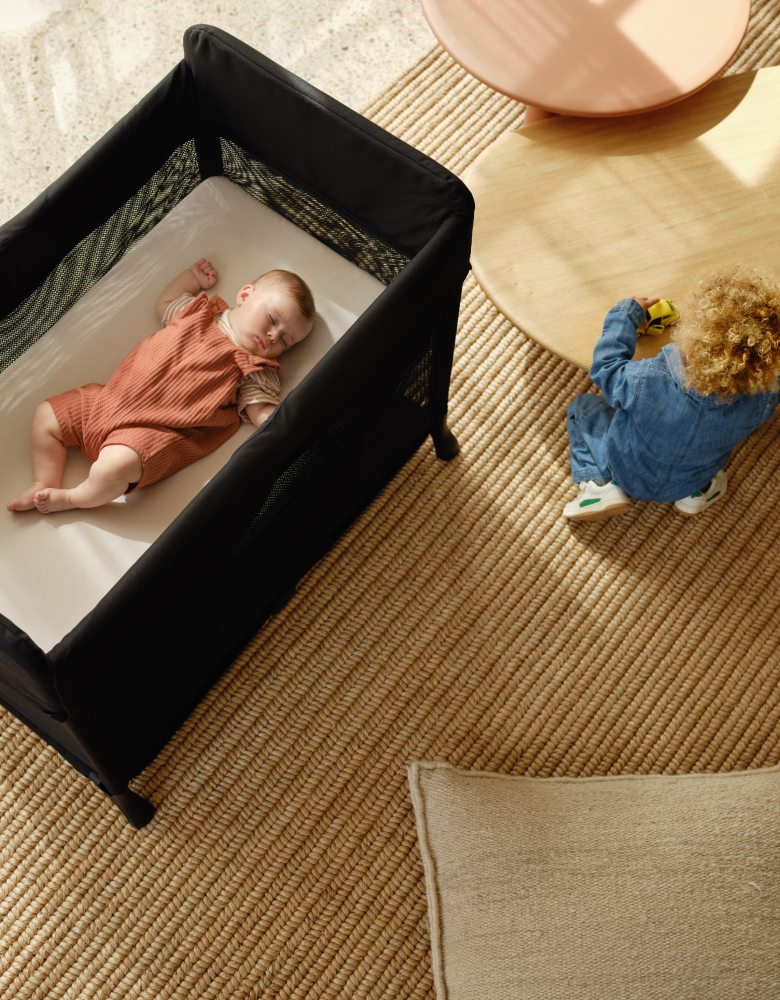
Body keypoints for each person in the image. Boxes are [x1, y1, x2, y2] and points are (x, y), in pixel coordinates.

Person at [7, 259, 314, 514]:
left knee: (112, 470)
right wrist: (192, 277)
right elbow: (165, 302)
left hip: (150, 434)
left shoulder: (253, 369)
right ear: (245, 295)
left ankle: (74, 498)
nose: (274, 335)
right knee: (47, 415)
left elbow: (262, 411)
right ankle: (42, 482)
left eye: (286, 341)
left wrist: (290, 422)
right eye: (272, 319)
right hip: (106, 401)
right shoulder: (196, 311)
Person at [563, 266, 780, 521]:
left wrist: (624, 315)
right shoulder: (763, 401)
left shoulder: (647, 381)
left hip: (625, 469)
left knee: (584, 407)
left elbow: (606, 367)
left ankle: (600, 485)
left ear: (691, 351)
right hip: (690, 479)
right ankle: (698, 492)